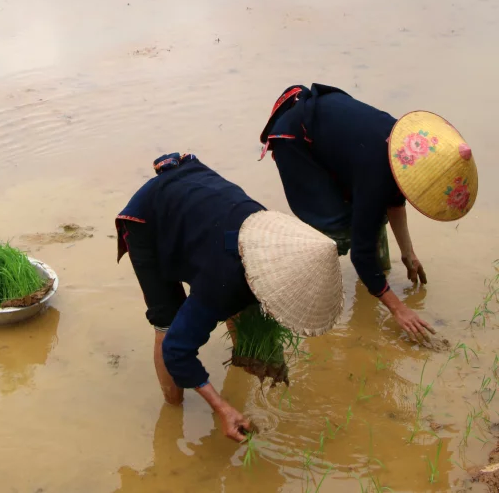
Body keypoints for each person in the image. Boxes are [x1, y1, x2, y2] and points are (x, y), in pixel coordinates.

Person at [116, 152, 343, 441]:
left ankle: (239, 365)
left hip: (200, 209)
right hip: (148, 217)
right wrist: (222, 407)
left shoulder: (270, 236)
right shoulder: (223, 279)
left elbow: (245, 290)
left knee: (240, 300)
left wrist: (263, 353)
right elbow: (177, 349)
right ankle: (173, 413)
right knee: (168, 324)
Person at [260, 84, 478, 342]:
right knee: (337, 232)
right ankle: (286, 286)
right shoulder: (376, 172)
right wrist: (399, 309)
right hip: (295, 139)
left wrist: (408, 252)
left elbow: (395, 200)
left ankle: (377, 277)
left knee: (370, 211)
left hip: (337, 133)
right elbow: (360, 256)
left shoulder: (406, 148)